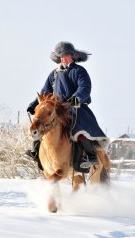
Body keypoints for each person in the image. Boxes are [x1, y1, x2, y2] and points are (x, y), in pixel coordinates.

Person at [26, 41, 108, 170]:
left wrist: (76, 98)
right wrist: (33, 104)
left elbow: (85, 87)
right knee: (41, 123)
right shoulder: (54, 73)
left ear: (73, 56)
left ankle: (91, 155)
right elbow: (44, 92)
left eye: (66, 55)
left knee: (79, 128)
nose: (63, 58)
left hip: (75, 107)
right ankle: (35, 151)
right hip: (56, 109)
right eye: (61, 56)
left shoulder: (79, 71)